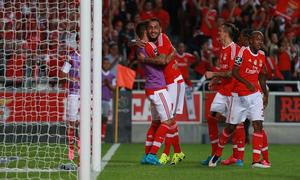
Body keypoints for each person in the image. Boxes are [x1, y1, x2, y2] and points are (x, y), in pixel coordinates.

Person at [209, 31, 271, 168]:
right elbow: (235, 72)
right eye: (257, 39)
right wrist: (246, 82)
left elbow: (262, 75)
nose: (260, 41)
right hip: (239, 96)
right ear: (250, 41)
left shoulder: (262, 55)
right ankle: (217, 154)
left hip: (255, 96)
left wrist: (265, 94)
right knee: (231, 127)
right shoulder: (243, 52)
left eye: (261, 39)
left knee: (258, 125)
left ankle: (256, 161)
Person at [201, 23, 241, 166]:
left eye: (220, 31)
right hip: (223, 90)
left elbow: (231, 73)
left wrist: (213, 74)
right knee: (211, 117)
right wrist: (216, 80)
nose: (218, 33)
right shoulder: (222, 49)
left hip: (233, 91)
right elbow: (224, 70)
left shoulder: (235, 49)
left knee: (235, 123)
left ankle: (238, 157)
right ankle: (213, 155)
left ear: (226, 33)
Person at [135, 21, 174, 166]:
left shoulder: (139, 48)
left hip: (150, 87)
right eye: (148, 29)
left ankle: (147, 154)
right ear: (144, 32)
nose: (152, 31)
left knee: (156, 122)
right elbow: (162, 61)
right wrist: (171, 53)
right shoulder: (149, 46)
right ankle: (152, 154)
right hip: (158, 88)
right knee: (167, 121)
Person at [60, 50, 80, 163]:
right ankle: (71, 148)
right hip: (73, 93)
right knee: (72, 123)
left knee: (83, 123)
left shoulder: (91, 55)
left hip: (87, 93)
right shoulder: (71, 57)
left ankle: (81, 149)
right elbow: (62, 75)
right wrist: (71, 78)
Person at [101, 57, 116, 142]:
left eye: (107, 63)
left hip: (107, 99)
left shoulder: (112, 75)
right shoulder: (98, 74)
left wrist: (108, 84)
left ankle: (102, 135)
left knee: (105, 118)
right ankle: (97, 135)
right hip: (97, 100)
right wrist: (103, 83)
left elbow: (114, 88)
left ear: (110, 65)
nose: (106, 65)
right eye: (104, 63)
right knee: (97, 117)